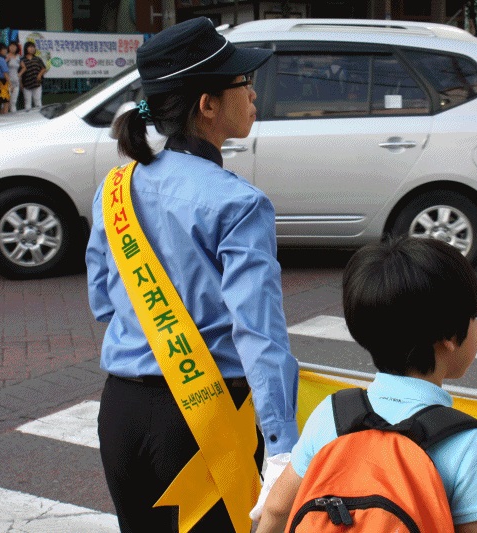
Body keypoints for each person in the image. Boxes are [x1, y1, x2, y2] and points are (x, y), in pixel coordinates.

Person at [85, 17, 299, 533]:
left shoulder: (116, 187)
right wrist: (280, 448)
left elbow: (103, 300)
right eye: (241, 83)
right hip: (205, 419)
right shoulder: (240, 204)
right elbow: (260, 335)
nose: (252, 94)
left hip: (122, 411)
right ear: (207, 104)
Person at [255, 237, 477, 533]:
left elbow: (276, 509)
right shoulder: (467, 442)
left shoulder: (333, 414)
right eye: (476, 318)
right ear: (451, 335)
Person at [20, 42, 47, 109]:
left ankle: (38, 118)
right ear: (26, 48)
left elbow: (44, 68)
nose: (32, 49)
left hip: (37, 84)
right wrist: (21, 84)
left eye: (33, 47)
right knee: (27, 104)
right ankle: (28, 118)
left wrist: (39, 75)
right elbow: (20, 72)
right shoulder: (22, 60)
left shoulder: (37, 59)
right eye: (30, 47)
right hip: (26, 85)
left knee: (38, 103)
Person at [6, 41, 22, 112]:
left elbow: (24, 67)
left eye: (14, 46)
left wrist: (19, 75)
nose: (12, 48)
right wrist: (6, 60)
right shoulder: (6, 56)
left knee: (13, 102)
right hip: (7, 81)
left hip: (16, 81)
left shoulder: (18, 57)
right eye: (11, 46)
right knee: (6, 103)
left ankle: (14, 118)